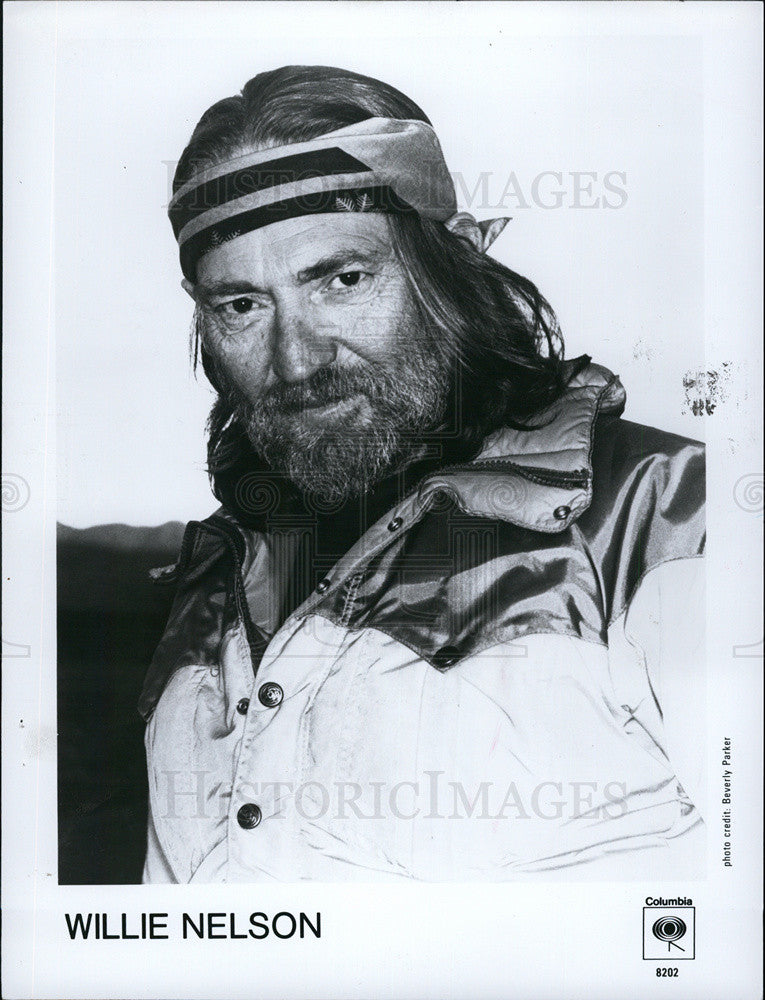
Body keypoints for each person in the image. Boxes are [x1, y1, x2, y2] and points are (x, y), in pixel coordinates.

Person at [139, 65, 706, 882]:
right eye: (241, 306)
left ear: (459, 267)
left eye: (343, 279)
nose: (296, 360)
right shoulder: (217, 579)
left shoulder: (666, 515)